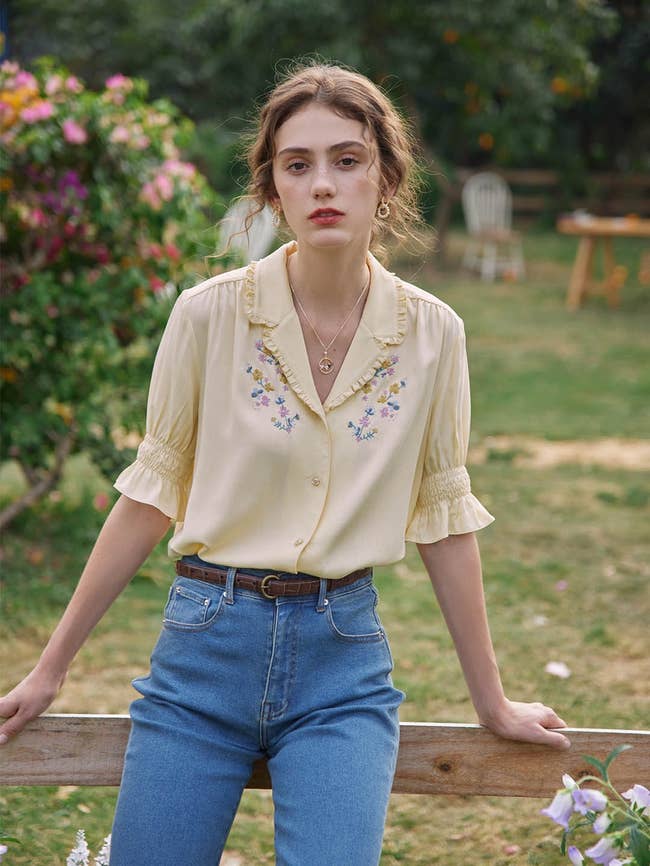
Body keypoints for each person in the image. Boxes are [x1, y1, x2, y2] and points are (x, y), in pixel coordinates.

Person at [0, 62, 570, 866]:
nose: (322, 184)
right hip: (203, 650)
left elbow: (443, 517)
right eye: (297, 165)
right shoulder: (208, 315)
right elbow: (150, 493)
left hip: (344, 663)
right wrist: (51, 669)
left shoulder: (435, 335)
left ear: (386, 176)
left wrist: (493, 701)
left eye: (347, 159)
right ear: (272, 189)